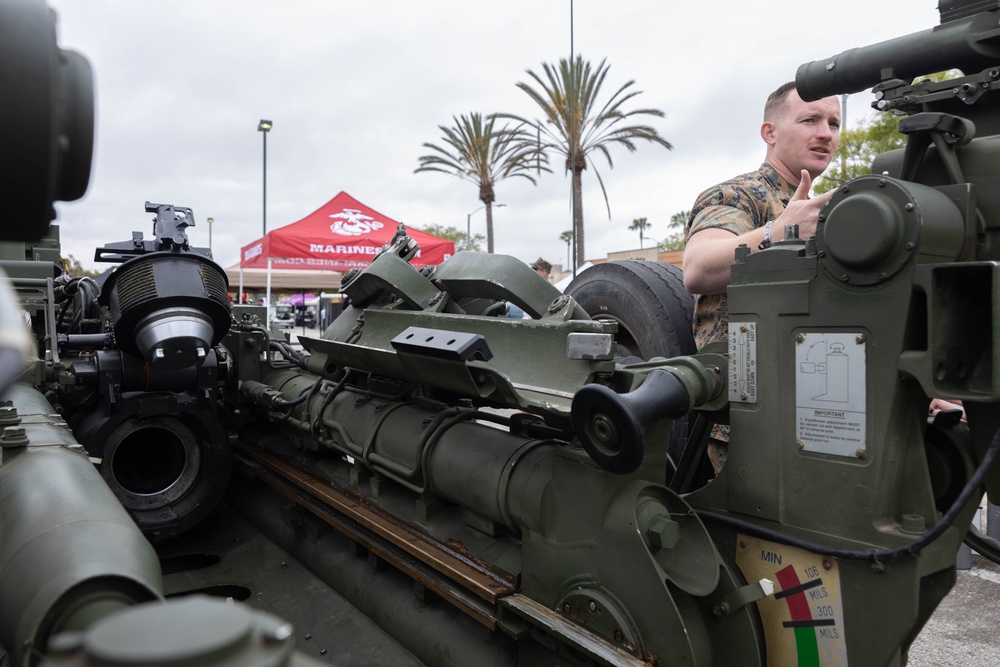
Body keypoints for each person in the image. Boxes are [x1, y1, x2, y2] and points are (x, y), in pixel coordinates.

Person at [683, 81, 841, 472]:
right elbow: (698, 268)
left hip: (818, 409)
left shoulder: (823, 210)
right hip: (750, 416)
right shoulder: (740, 195)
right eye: (810, 120)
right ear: (770, 133)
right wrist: (778, 231)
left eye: (834, 123)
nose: (825, 133)